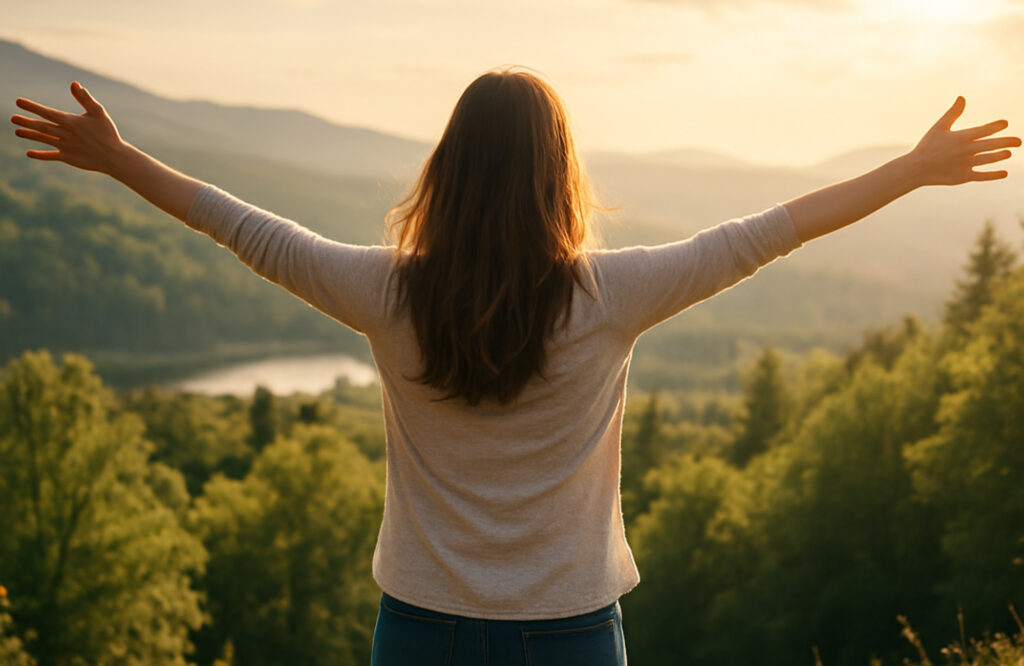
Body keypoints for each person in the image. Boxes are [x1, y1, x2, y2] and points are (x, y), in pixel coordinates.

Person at [10, 70, 1019, 666]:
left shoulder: (384, 290)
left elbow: (244, 229)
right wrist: (911, 169)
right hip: (573, 637)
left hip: (418, 632)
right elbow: (769, 233)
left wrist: (119, 158)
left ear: (446, 172)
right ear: (557, 175)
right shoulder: (610, 293)